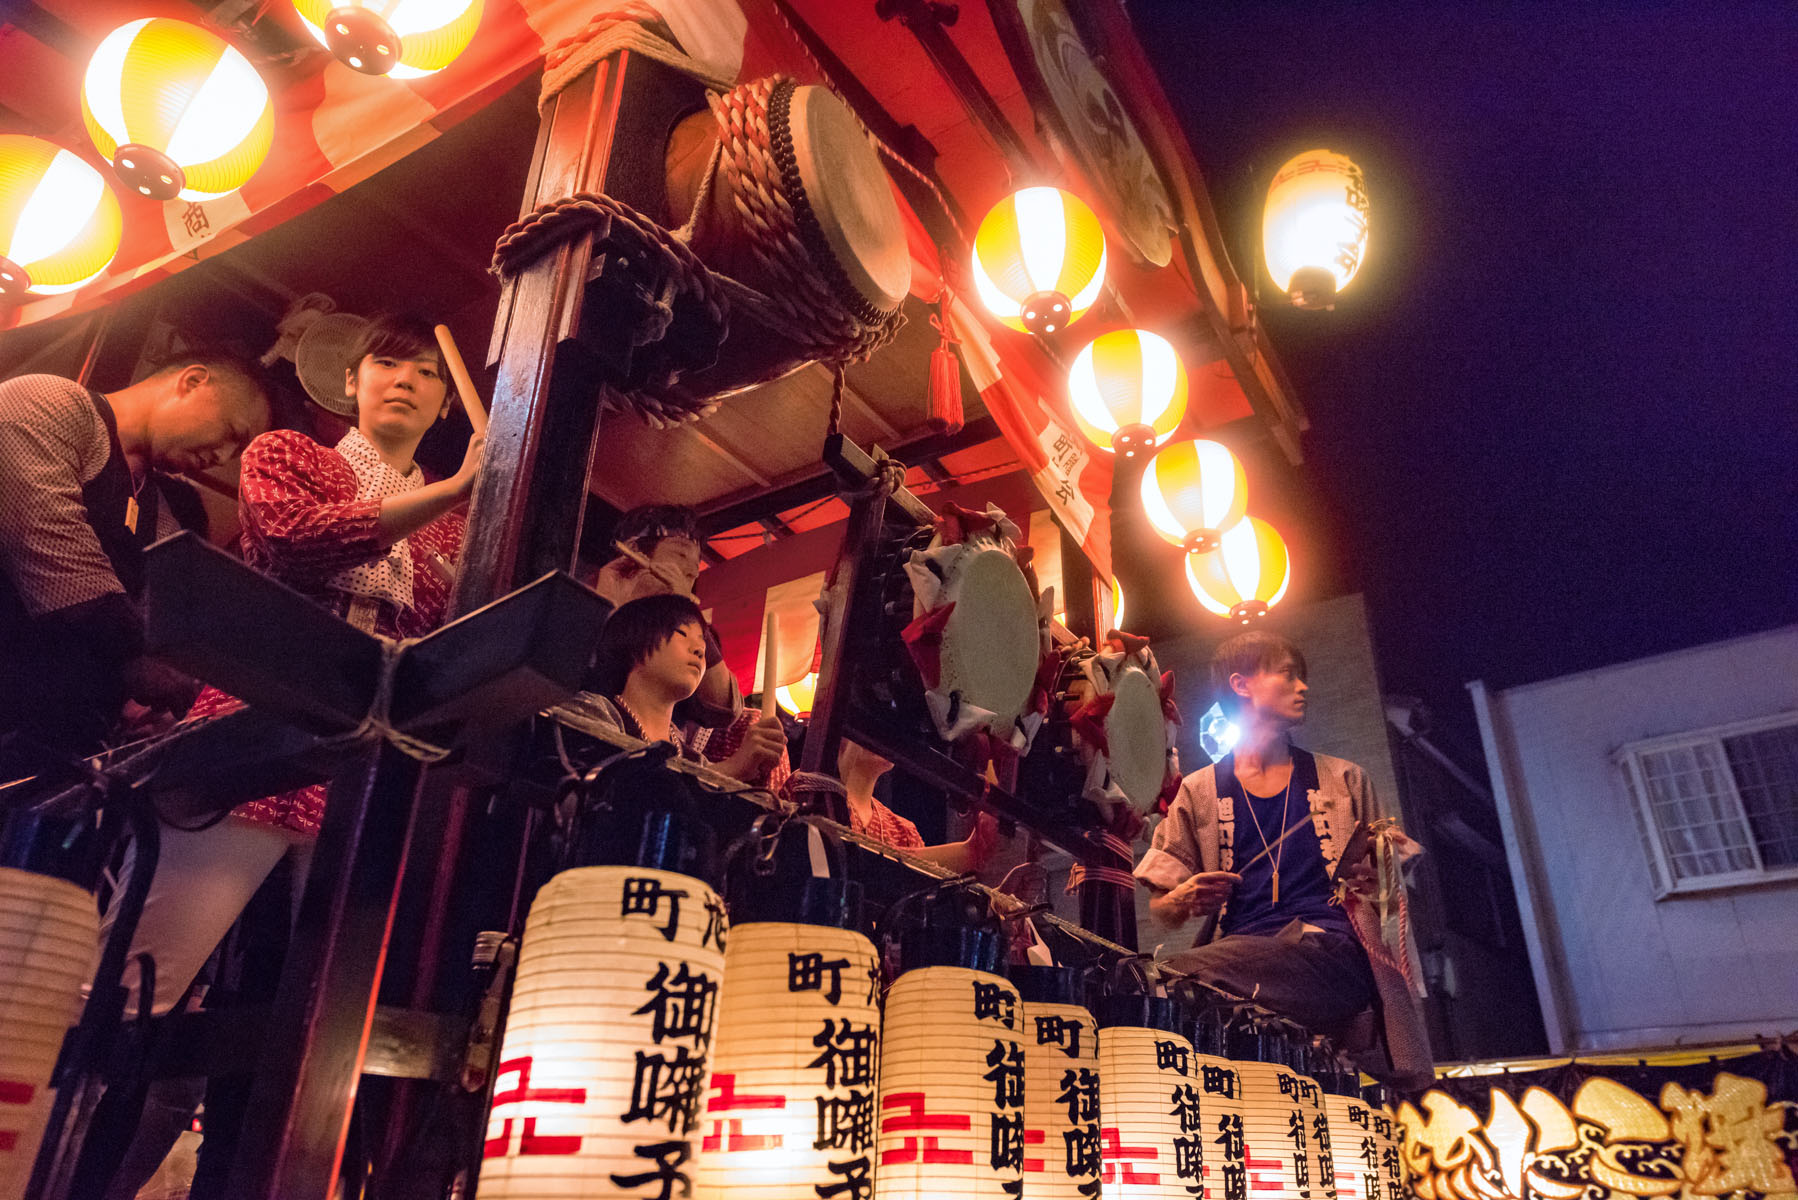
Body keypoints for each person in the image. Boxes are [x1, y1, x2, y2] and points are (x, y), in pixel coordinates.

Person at [92, 313, 483, 1198]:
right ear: (350, 380)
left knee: (321, 1019)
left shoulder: (460, 528)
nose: (407, 380)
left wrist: (467, 505)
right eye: (389, 362)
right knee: (138, 982)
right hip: (257, 740)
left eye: (428, 373)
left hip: (369, 766)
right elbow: (298, 538)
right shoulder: (288, 454)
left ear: (441, 404)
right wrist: (455, 490)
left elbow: (447, 633)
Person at [1134, 630, 1432, 1086]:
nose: (1303, 688)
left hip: (1331, 954)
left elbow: (1394, 884)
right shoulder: (1199, 791)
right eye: (1289, 676)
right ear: (1242, 684)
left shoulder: (1345, 779)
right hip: (1247, 961)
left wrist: (1378, 877)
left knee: (1172, 976)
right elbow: (1161, 908)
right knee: (1187, 984)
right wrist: (1185, 899)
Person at [0, 353, 272, 761]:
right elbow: (50, 543)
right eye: (232, 432)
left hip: (50, 751)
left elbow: (159, 628)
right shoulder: (51, 402)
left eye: (236, 450)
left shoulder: (165, 514)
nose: (224, 456)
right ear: (193, 381)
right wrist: (138, 660)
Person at [586, 504, 787, 786]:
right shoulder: (585, 607)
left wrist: (686, 613)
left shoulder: (697, 633)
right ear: (634, 553)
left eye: (693, 573)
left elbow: (724, 708)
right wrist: (608, 608)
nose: (688, 575)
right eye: (679, 556)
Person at [581, 592, 789, 788]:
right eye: (682, 633)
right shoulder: (593, 712)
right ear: (635, 642)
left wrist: (749, 771)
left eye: (702, 643)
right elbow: (619, 788)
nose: (699, 651)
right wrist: (732, 768)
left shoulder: (693, 760)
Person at [832, 737, 999, 872]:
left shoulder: (904, 831)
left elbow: (919, 904)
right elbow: (848, 866)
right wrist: (968, 852)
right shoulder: (819, 800)